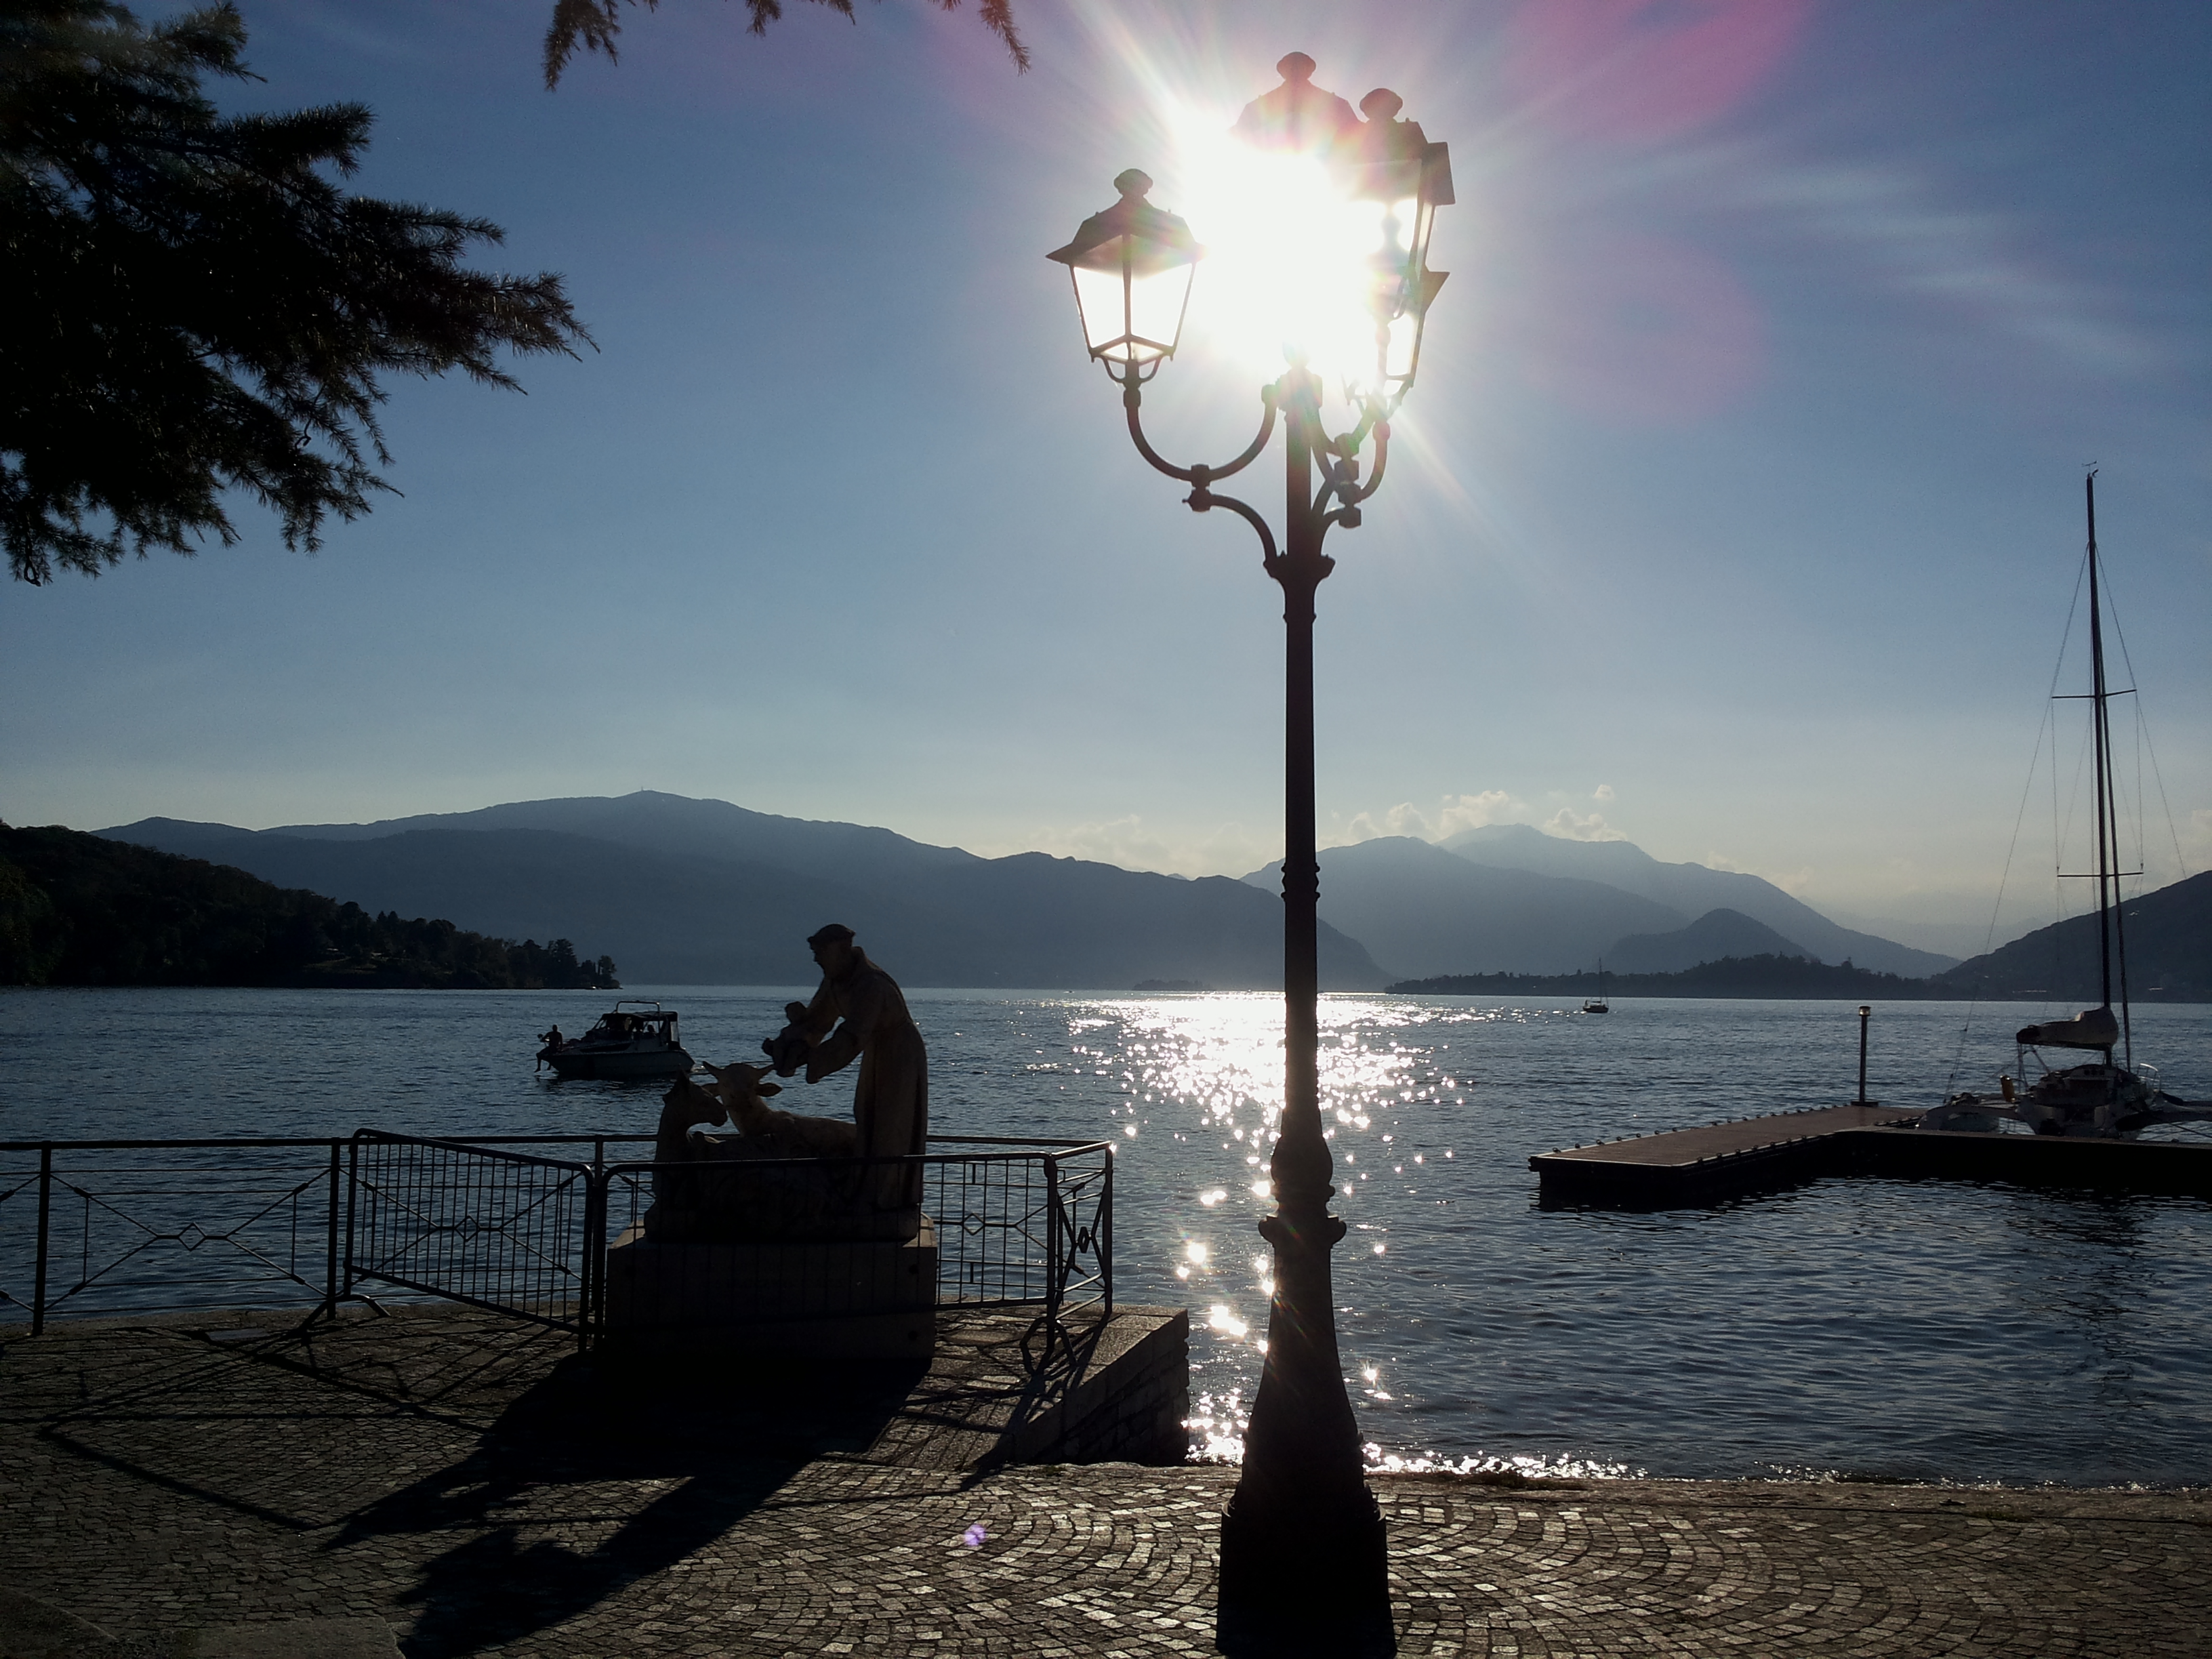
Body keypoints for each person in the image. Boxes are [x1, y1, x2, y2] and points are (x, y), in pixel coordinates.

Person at [783, 924, 928, 1208]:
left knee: (891, 1124)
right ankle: (868, 1190)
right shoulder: (835, 981)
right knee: (866, 1113)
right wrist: (789, 1046)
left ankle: (888, 1199)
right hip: (876, 1050)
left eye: (820, 952)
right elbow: (817, 1021)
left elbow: (851, 1036)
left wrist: (813, 1060)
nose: (815, 959)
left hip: (900, 1054)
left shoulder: (871, 984)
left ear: (841, 949)